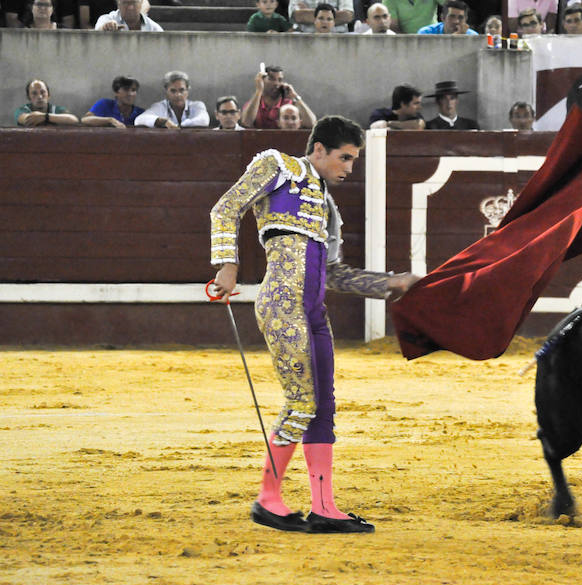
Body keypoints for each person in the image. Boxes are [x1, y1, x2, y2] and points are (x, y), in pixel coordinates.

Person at [209, 115, 419, 533]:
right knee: (302, 403)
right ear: (319, 149)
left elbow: (336, 273)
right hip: (282, 304)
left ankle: (324, 507)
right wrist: (227, 266)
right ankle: (268, 499)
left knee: (322, 407)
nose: (349, 168)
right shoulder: (279, 165)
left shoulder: (327, 209)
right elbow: (227, 206)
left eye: (354, 160)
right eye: (345, 158)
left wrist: (390, 283)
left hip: (313, 313)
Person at [240, 66, 317, 129]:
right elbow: (246, 123)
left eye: (280, 80)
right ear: (262, 81)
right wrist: (259, 90)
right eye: (272, 79)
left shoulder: (290, 103)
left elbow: (312, 123)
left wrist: (295, 96)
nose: (276, 83)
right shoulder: (254, 103)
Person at [134, 71, 209, 128]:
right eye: (173, 91)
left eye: (182, 90)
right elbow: (139, 120)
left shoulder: (197, 105)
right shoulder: (160, 106)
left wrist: (179, 126)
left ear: (188, 90)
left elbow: (204, 120)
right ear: (166, 91)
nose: (178, 95)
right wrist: (163, 121)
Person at [14, 79, 80, 127]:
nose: (39, 96)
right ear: (28, 97)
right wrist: (56, 119)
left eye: (43, 92)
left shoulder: (56, 109)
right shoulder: (22, 110)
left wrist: (45, 117)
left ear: (48, 95)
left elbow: (74, 120)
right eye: (34, 93)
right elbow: (27, 120)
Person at [95, 0, 163, 29]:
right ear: (118, 3)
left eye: (134, 2)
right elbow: (96, 35)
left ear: (141, 3)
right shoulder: (105, 19)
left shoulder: (153, 28)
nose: (130, 7)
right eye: (125, 3)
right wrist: (106, 28)